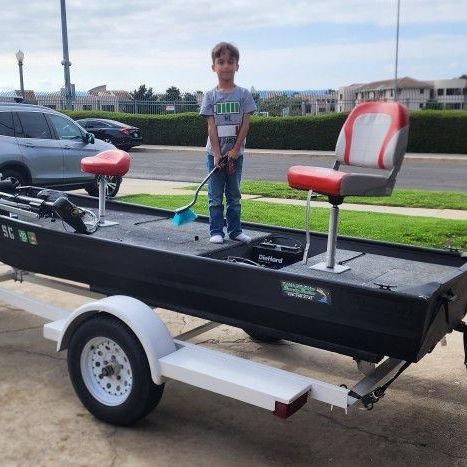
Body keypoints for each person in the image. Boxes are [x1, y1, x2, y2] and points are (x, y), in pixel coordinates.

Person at [199, 42, 257, 244]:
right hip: (214, 156)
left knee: (234, 196)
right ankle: (216, 231)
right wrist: (216, 153)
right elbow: (211, 127)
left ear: (237, 66)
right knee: (215, 197)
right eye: (221, 62)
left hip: (235, 157)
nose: (225, 66)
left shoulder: (243, 95)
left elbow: (245, 124)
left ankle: (234, 231)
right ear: (214, 67)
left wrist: (234, 150)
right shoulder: (210, 96)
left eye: (230, 62)